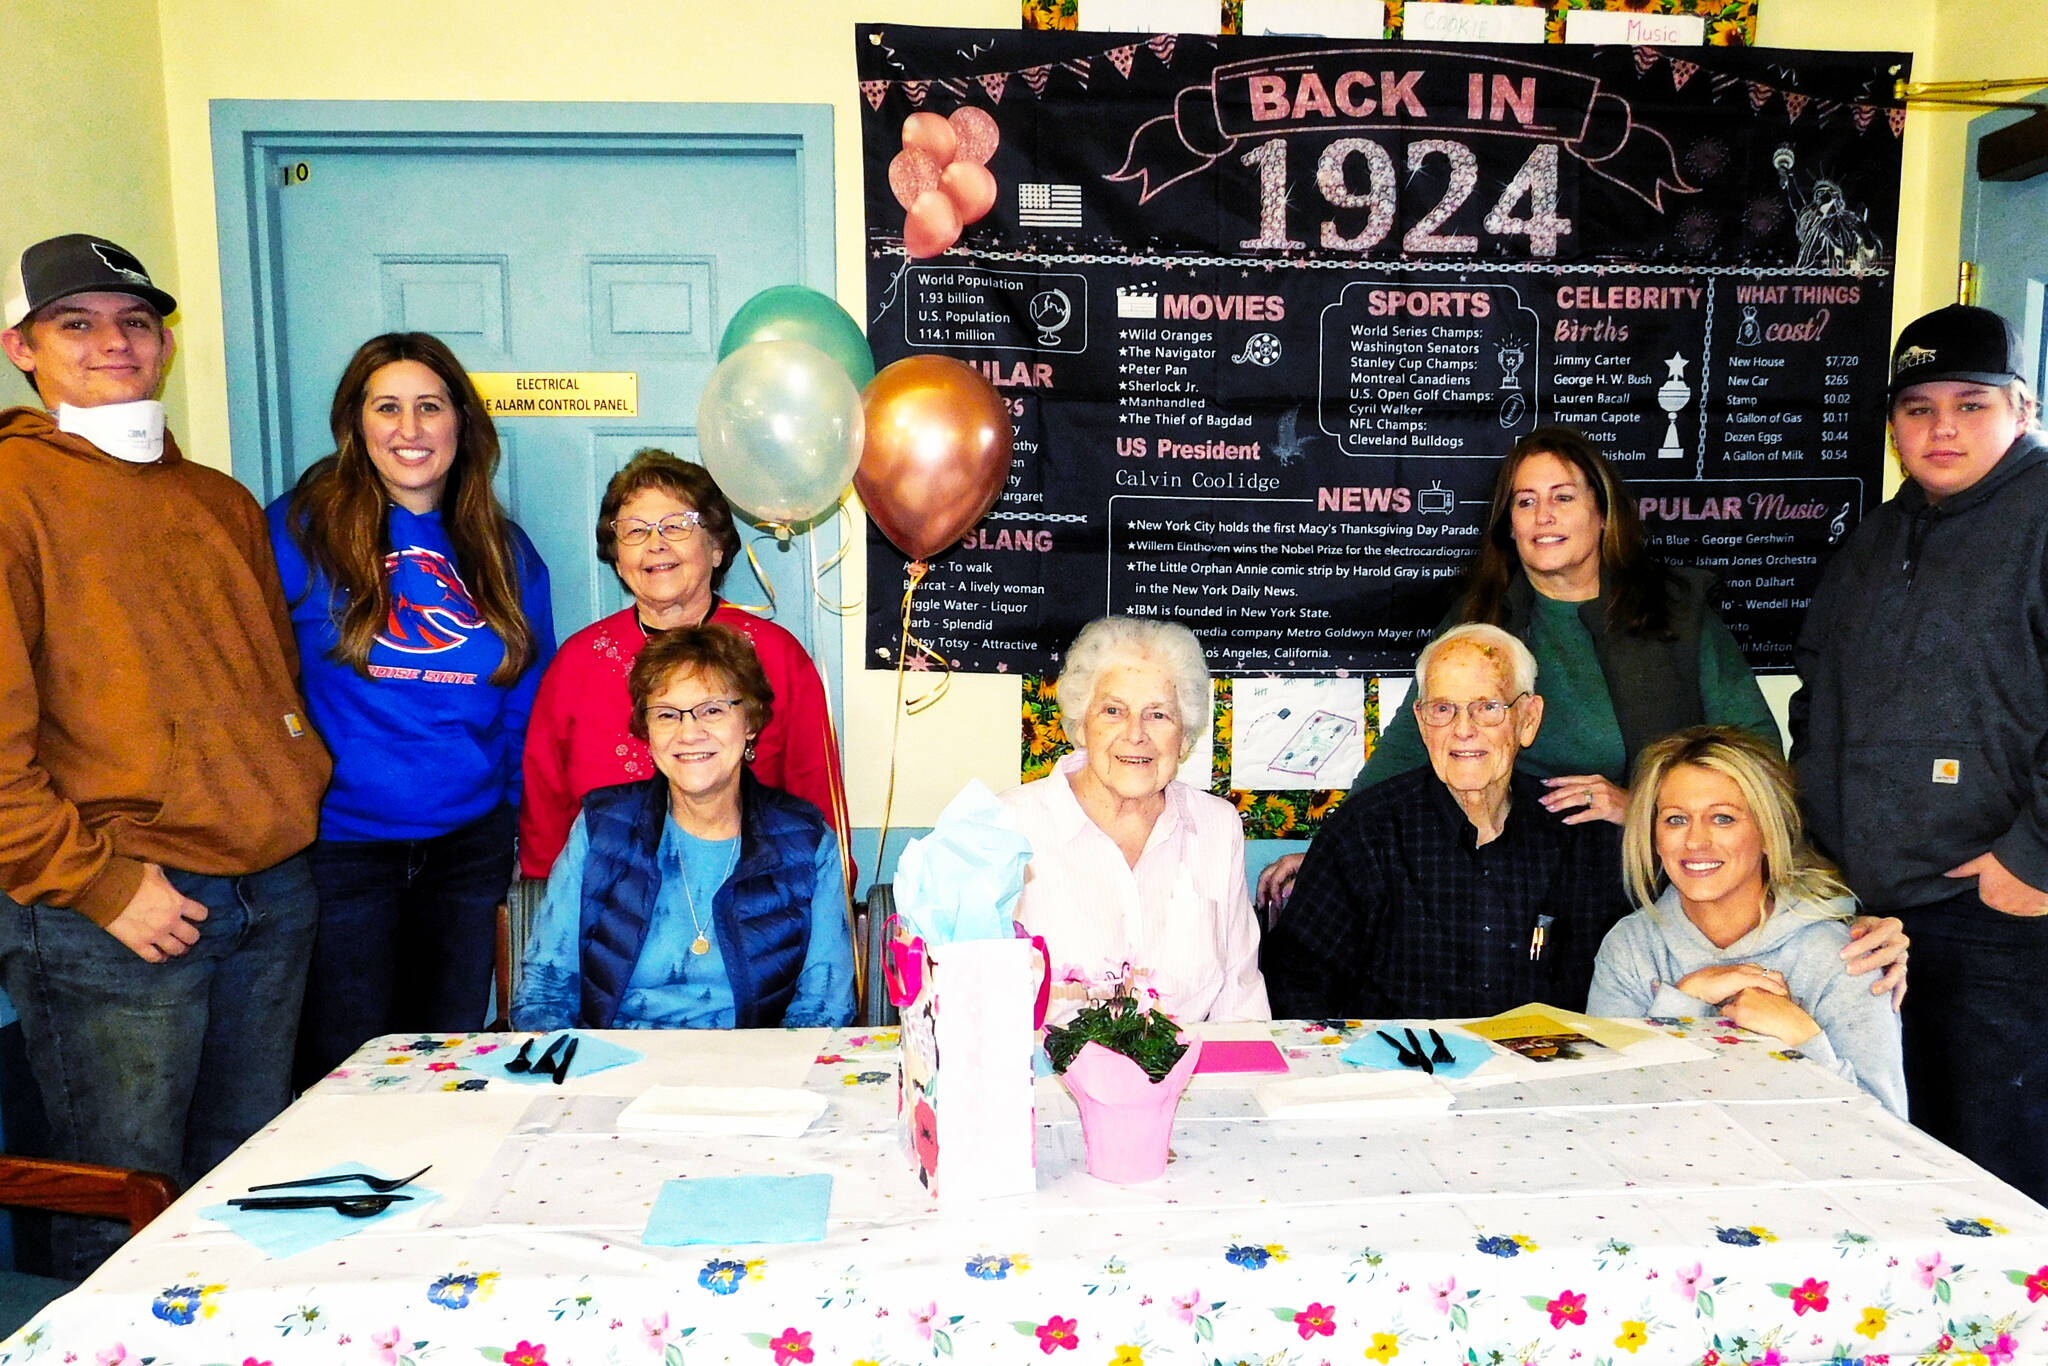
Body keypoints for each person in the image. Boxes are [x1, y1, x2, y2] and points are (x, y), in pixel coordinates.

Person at [0, 234, 331, 1272]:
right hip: (120, 912)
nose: (114, 343)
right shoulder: (14, 493)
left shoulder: (218, 500)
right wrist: (98, 885)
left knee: (242, 1181)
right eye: (77, 323)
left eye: (136, 322)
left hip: (266, 893)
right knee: (123, 1200)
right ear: (22, 347)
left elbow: (269, 679)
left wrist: (292, 788)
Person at [1259, 428, 1775, 893]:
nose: (1543, 517)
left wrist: (1644, 808)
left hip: (1653, 867)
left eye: (1563, 498)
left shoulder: (1677, 609)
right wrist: (1328, 850)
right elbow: (1408, 743)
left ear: (1603, 513)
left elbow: (1756, 751)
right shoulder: (1481, 613)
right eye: (1525, 502)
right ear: (1508, 524)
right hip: (1516, 870)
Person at [1792, 303, 2048, 1199]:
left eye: (1970, 404)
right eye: (1917, 408)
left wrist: (2032, 860)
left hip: (2001, 921)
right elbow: (1817, 686)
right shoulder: (1879, 534)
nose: (1941, 427)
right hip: (1872, 917)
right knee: (1904, 1167)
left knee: (2002, 1175)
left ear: (2023, 407)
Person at [270, 333, 555, 1085]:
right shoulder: (298, 528)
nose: (410, 428)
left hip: (468, 850)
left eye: (429, 406)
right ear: (355, 425)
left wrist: (517, 822)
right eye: (387, 407)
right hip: (341, 851)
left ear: (461, 422)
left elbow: (525, 704)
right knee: (345, 1073)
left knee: (442, 1069)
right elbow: (248, 678)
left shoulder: (504, 550)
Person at [1261, 625, 1628, 1020]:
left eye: (1488, 707)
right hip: (1396, 1073)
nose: (1464, 729)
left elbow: (1623, 989)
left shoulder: (1582, 837)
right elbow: (1296, 989)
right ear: (1421, 722)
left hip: (1544, 1072)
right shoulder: (1362, 835)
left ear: (1527, 719)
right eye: (1443, 709)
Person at [520, 450, 845, 881]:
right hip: (608, 911)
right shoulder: (578, 663)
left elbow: (818, 804)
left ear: (716, 547)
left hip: (751, 907)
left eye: (676, 526)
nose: (656, 544)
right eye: (635, 531)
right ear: (618, 558)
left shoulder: (775, 656)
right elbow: (545, 811)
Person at [514, 624, 853, 1030]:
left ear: (750, 722)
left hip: (753, 1077)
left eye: (712, 709)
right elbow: (545, 992)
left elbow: (825, 1008)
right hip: (615, 1068)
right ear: (648, 731)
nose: (689, 732)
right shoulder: (601, 828)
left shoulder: (807, 841)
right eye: (667, 714)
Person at [1587, 727, 1905, 1118]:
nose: (1695, 841)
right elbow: (1604, 1108)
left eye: (1722, 818)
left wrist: (1802, 1040)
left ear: (1769, 834)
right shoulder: (1630, 947)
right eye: (1675, 819)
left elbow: (1888, 1129)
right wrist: (1686, 1000)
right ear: (1654, 837)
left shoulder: (1845, 956)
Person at [1000, 617, 1269, 1026]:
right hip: (1043, 1078)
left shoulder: (1218, 826)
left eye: (1158, 715)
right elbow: (970, 998)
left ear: (1185, 737)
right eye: (1113, 711)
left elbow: (1240, 997)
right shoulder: (1008, 824)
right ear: (1081, 725)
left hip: (1185, 1079)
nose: (1135, 734)